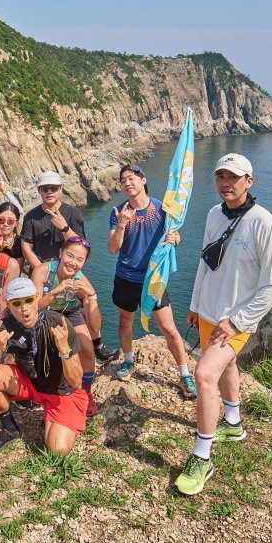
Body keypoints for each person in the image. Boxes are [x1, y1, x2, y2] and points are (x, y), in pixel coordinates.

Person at [175, 153, 272, 496]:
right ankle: (234, 423)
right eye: (221, 176)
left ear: (249, 181)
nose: (226, 183)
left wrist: (237, 322)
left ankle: (202, 457)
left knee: (205, 375)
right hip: (208, 312)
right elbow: (206, 262)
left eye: (233, 177)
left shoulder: (263, 223)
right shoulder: (213, 214)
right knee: (226, 367)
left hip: (233, 321)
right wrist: (194, 304)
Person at [107, 163, 194, 398]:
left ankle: (184, 373)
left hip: (153, 279)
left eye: (131, 178)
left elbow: (174, 235)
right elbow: (113, 248)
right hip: (126, 277)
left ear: (143, 180)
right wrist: (123, 223)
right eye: (123, 180)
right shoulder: (117, 212)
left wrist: (176, 239)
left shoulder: (162, 208)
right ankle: (128, 360)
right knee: (125, 321)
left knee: (169, 329)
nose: (127, 183)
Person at [0, 278, 87, 457]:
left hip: (61, 391)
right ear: (9, 305)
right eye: (16, 303)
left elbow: (75, 380)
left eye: (28, 300)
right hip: (31, 383)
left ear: (37, 298)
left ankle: (54, 415)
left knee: (57, 450)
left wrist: (64, 350)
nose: (24, 308)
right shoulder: (5, 327)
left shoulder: (59, 323)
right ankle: (10, 429)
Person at [20, 171, 119, 364]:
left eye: (54, 188)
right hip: (43, 268)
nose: (49, 192)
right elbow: (26, 246)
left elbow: (80, 245)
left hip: (69, 265)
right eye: (45, 188)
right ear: (40, 191)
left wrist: (64, 227)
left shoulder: (72, 213)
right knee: (39, 306)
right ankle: (31, 350)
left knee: (88, 297)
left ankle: (97, 344)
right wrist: (43, 269)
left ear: (60, 189)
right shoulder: (32, 216)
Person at [33, 237, 101, 417]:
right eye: (69, 256)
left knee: (87, 348)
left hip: (71, 312)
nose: (73, 263)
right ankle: (39, 388)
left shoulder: (82, 280)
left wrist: (90, 296)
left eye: (80, 260)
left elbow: (95, 325)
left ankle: (85, 392)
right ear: (60, 253)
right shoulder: (42, 272)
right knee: (45, 350)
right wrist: (56, 291)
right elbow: (35, 307)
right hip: (45, 312)